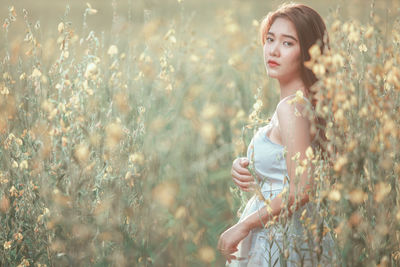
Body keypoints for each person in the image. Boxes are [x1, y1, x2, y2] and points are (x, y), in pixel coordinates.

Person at [218, 3, 336, 266]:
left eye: (287, 43)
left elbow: (302, 188)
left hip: (278, 239)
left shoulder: (291, 107)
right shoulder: (300, 103)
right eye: (270, 39)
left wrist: (243, 226)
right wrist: (248, 166)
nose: (272, 50)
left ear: (307, 53)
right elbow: (286, 170)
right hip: (286, 232)